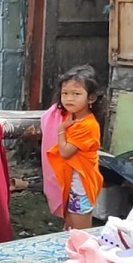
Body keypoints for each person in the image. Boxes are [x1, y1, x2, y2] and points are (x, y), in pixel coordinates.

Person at [45, 65, 104, 230]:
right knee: (69, 225)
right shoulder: (71, 117)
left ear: (91, 98)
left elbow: (65, 153)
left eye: (76, 94)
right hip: (70, 180)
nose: (69, 99)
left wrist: (61, 130)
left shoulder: (87, 125)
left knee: (80, 231)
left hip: (81, 183)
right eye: (65, 93)